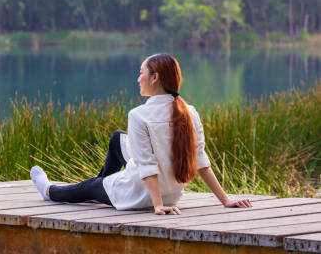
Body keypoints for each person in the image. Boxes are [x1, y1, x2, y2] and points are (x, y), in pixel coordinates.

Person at [30, 53, 252, 215]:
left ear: (154, 78)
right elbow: (201, 162)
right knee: (118, 138)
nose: (138, 79)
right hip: (172, 195)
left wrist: (156, 206)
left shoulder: (139, 115)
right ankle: (103, 180)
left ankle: (48, 190)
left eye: (141, 73)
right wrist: (226, 200)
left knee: (87, 188)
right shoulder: (190, 112)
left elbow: (147, 166)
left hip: (137, 194)